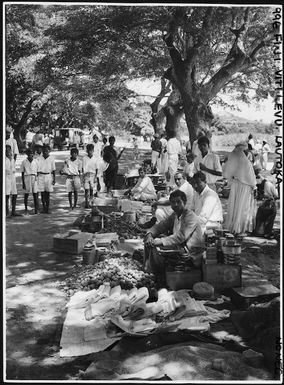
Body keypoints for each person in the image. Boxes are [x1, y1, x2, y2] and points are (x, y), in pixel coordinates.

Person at [144, 190, 205, 286]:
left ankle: (159, 278)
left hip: (191, 251)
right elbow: (160, 226)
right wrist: (149, 235)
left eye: (178, 202)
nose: (175, 205)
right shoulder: (175, 215)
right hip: (180, 247)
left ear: (184, 203)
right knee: (149, 243)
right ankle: (151, 274)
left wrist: (160, 241)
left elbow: (180, 236)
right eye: (173, 202)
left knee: (156, 248)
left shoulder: (190, 216)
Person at [222, 142, 257, 234]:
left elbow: (227, 174)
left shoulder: (233, 162)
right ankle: (240, 226)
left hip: (235, 186)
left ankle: (233, 225)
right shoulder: (246, 163)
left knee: (235, 206)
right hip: (245, 187)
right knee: (242, 206)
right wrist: (254, 186)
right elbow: (251, 179)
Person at [37, 144, 56, 214]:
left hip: (48, 176)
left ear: (49, 151)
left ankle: (47, 208)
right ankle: (44, 207)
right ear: (42, 151)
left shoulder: (51, 158)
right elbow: (37, 169)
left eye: (46, 151)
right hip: (41, 176)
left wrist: (54, 179)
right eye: (44, 151)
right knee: (42, 193)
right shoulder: (39, 158)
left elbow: (53, 169)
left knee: (47, 193)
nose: (45, 152)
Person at [20, 148, 39, 215]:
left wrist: (37, 179)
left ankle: (36, 209)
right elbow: (22, 172)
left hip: (34, 177)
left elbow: (38, 171)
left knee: (35, 194)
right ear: (27, 154)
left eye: (32, 153)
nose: (31, 154)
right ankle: (25, 209)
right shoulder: (24, 162)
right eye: (29, 153)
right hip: (27, 177)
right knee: (26, 194)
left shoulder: (36, 161)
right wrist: (23, 183)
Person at [5, 145, 21, 217]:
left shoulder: (13, 160)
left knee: (14, 194)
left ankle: (13, 211)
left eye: (10, 150)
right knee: (6, 195)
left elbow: (13, 169)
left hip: (13, 178)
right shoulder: (4, 160)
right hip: (6, 178)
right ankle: (7, 212)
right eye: (8, 151)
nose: (10, 152)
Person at [82, 143, 98, 208]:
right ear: (87, 151)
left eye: (91, 150)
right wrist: (82, 176)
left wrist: (96, 177)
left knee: (91, 190)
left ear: (93, 151)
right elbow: (83, 168)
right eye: (88, 150)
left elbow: (97, 168)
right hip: (86, 175)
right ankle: (86, 203)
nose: (90, 152)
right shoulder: (84, 158)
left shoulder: (95, 158)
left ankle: (90, 203)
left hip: (93, 175)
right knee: (86, 190)